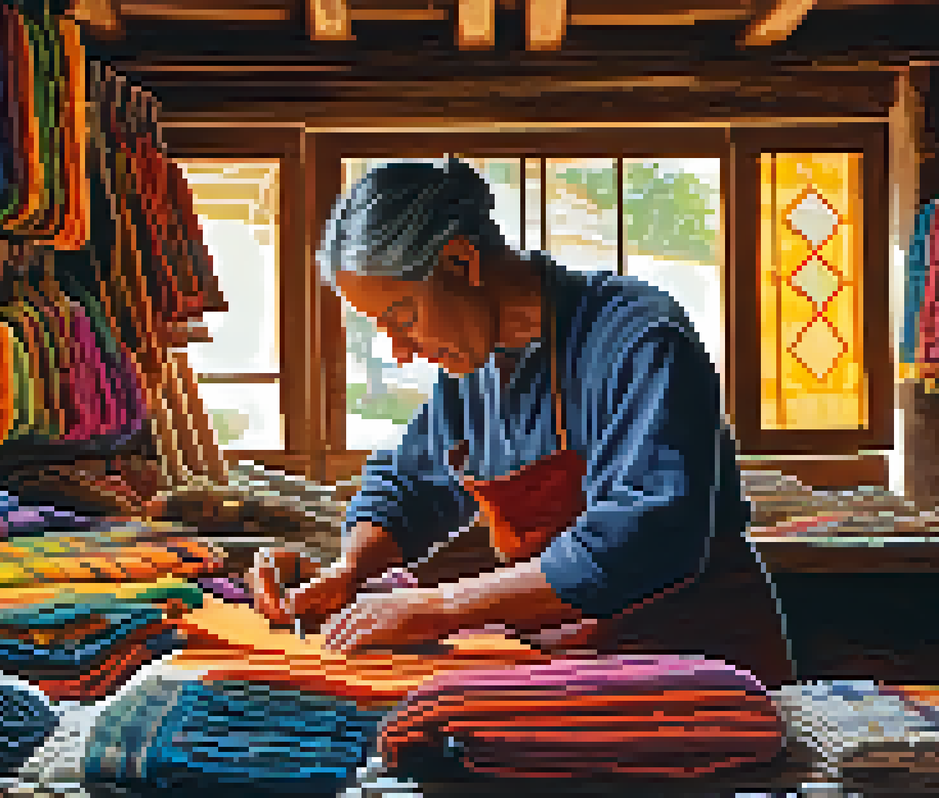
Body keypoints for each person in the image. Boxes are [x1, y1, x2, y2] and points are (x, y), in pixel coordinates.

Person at [251, 158, 795, 688]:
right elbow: (410, 486)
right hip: (576, 664)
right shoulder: (472, 369)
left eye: (404, 318)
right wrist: (347, 571)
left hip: (700, 670)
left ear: (461, 263)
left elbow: (638, 542)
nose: (399, 351)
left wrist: (439, 606)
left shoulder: (638, 339)